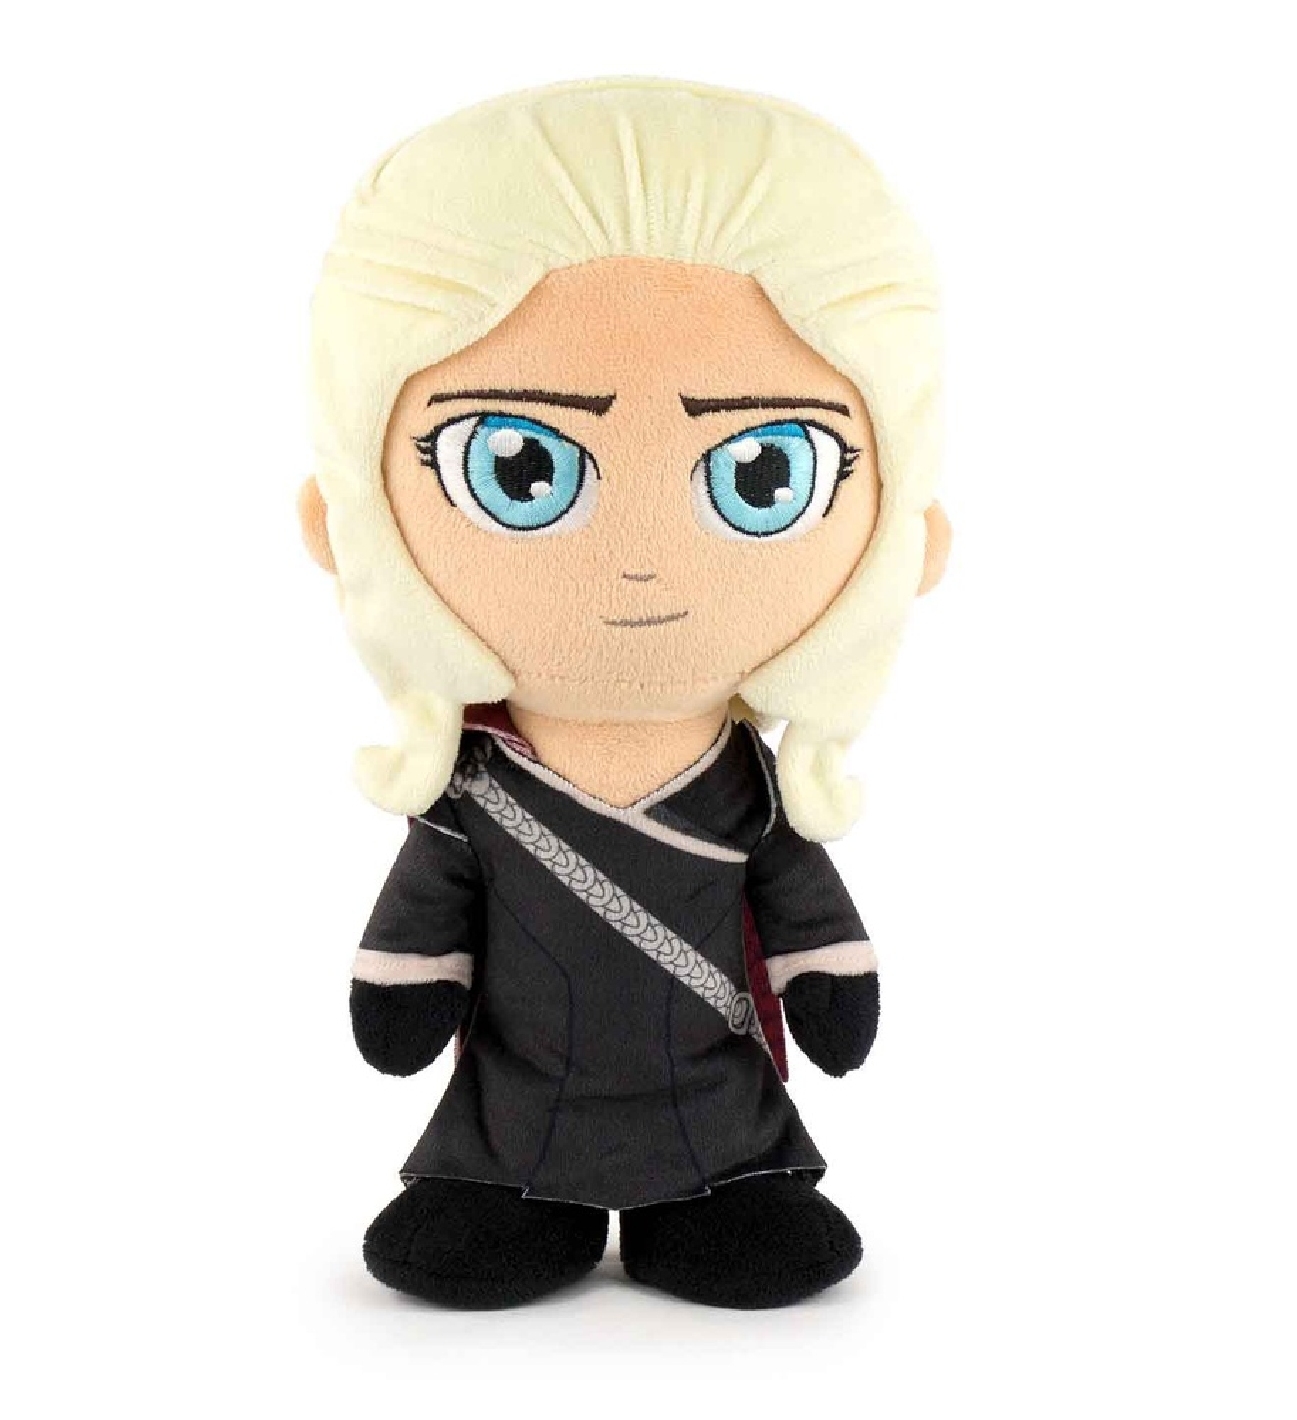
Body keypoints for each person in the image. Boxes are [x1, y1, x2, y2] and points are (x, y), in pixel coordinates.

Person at [299, 79, 949, 1309]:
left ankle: (725, 1184)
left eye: (764, 471)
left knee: (730, 1174)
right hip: (512, 1100)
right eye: (518, 466)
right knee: (495, 1158)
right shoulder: (476, 785)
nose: (642, 561)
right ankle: (499, 1184)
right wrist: (405, 978)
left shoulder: (746, 788)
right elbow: (431, 900)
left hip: (715, 1098)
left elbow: (795, 894)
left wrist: (826, 974)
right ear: (349, 517)